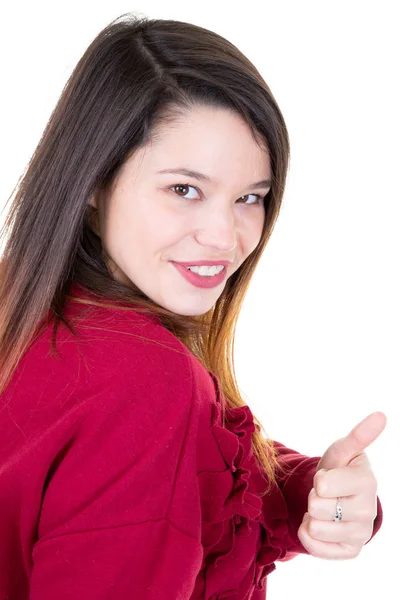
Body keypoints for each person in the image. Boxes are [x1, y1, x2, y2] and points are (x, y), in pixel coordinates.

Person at [0, 12, 384, 600]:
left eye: (250, 197)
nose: (225, 237)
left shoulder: (29, 313)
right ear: (94, 183)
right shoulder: (145, 378)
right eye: (185, 189)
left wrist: (310, 491)